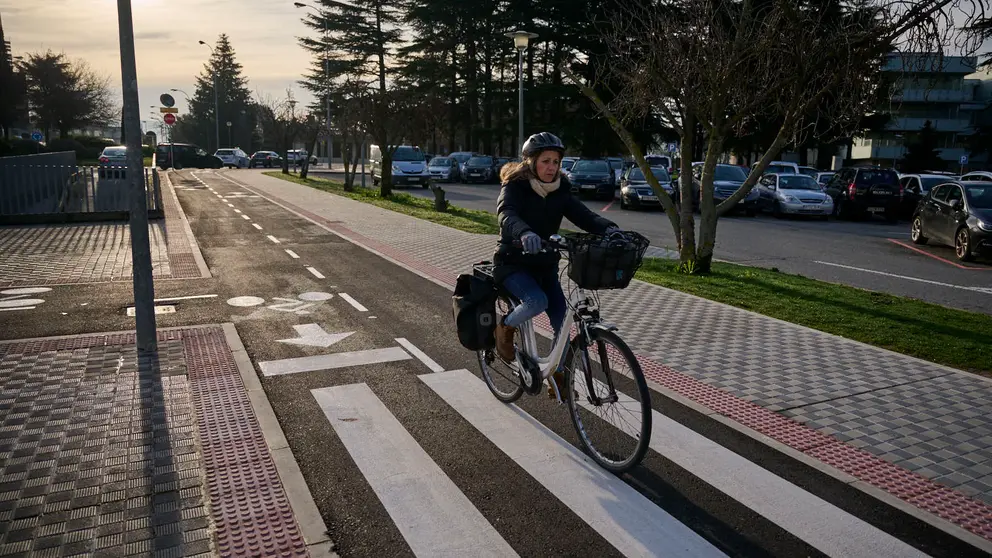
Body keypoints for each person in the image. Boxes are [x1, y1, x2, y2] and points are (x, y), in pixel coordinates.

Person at [493, 132, 619, 397]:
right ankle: (504, 327)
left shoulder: (560, 189)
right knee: (536, 301)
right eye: (545, 161)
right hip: (513, 264)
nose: (551, 167)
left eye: (556, 162)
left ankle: (557, 373)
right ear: (531, 162)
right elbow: (506, 213)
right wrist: (524, 233)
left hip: (545, 266)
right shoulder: (515, 186)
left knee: (562, 321)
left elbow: (583, 215)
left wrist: (609, 229)